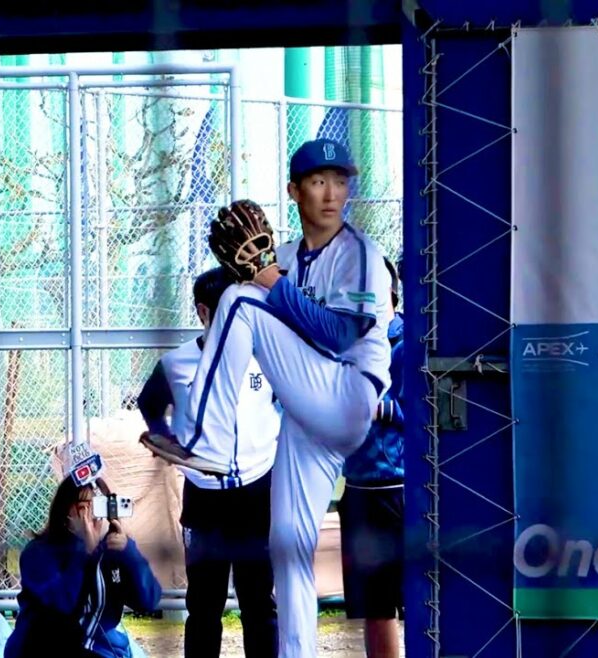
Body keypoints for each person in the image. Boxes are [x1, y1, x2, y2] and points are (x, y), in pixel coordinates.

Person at [143, 138, 394, 657]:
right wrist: (257, 273)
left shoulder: (360, 256)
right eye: (318, 181)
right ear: (294, 191)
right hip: (305, 419)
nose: (331, 193)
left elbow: (338, 335)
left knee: (239, 300)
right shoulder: (286, 258)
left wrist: (262, 279)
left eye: (340, 181)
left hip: (345, 390)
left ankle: (206, 441)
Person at [137, 266, 280, 658]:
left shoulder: (266, 356)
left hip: (257, 491)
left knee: (259, 602)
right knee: (203, 604)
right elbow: (149, 404)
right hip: (205, 496)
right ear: (203, 312)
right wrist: (167, 442)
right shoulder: (176, 363)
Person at [5, 476, 162, 658]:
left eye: (99, 506)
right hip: (45, 646)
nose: (93, 516)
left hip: (102, 649)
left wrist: (130, 554)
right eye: (85, 507)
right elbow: (62, 605)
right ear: (66, 511)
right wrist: (83, 552)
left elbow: (148, 602)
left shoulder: (113, 552)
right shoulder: (39, 552)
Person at [338, 257, 405, 658]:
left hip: (406, 488)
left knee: (422, 596)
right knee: (375, 607)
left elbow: (430, 412)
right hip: (360, 491)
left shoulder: (412, 343)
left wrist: (379, 408)